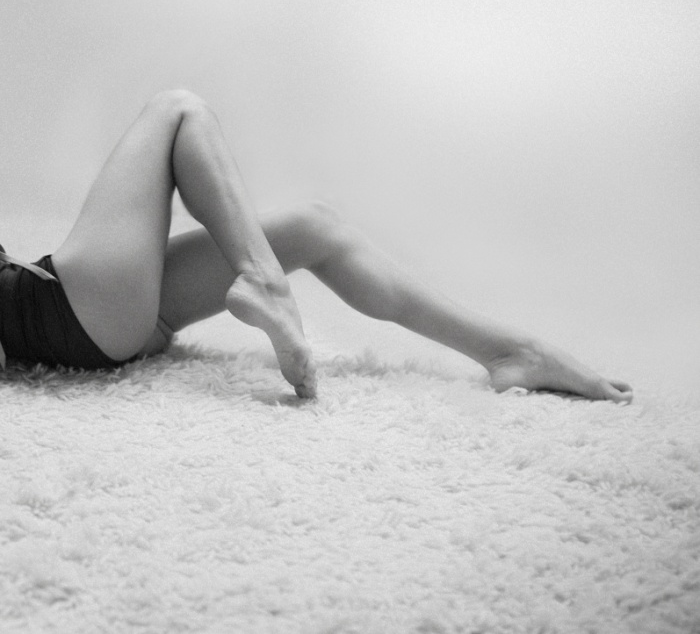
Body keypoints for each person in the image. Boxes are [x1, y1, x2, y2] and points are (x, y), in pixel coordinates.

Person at [0, 90, 633, 402]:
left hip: (101, 317)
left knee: (316, 227)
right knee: (178, 110)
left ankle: (511, 352)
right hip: (64, 310)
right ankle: (262, 279)